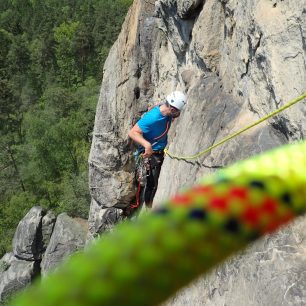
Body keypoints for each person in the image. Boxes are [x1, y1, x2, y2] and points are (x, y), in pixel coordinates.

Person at [128, 91, 187, 211]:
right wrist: (147, 145)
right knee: (152, 184)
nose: (179, 114)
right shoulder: (153, 117)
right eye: (177, 111)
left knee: (153, 183)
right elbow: (132, 132)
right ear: (171, 108)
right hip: (152, 153)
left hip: (159, 150)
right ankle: (149, 209)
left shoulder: (167, 114)